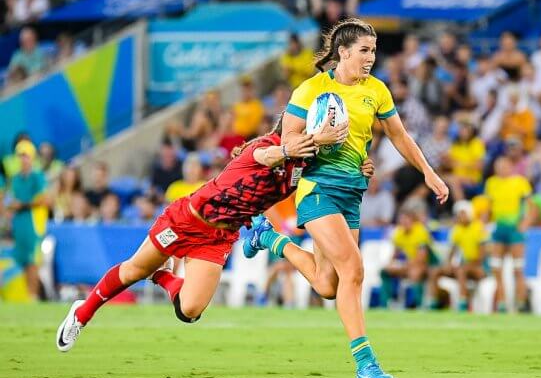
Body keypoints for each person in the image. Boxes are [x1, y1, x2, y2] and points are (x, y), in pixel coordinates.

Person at [56, 116, 372, 356]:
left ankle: (165, 278)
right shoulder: (263, 147)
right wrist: (291, 146)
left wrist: (360, 168)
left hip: (217, 238)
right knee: (133, 271)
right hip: (186, 221)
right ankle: (82, 314)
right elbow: (269, 157)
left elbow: (333, 176)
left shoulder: (305, 166)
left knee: (189, 311)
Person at [255, 18, 448, 378]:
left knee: (329, 284)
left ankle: (270, 241)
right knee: (354, 270)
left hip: (352, 192)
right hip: (316, 189)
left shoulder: (376, 90)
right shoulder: (310, 89)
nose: (371, 57)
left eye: (373, 50)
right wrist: (319, 137)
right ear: (343, 52)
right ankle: (366, 363)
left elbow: (399, 135)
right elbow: (288, 142)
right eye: (364, 50)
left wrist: (428, 171)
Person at [484, 157, 532, 313]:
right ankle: (502, 302)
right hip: (499, 228)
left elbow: (531, 206)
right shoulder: (491, 183)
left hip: (514, 229)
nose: (500, 169)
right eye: (498, 166)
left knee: (517, 268)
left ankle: (521, 302)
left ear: (511, 166)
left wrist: (525, 223)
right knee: (496, 267)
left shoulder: (520, 182)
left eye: (503, 165)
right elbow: (488, 207)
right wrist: (484, 224)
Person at [6, 140, 48, 300]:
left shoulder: (37, 176)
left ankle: (34, 296)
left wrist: (21, 205)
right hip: (19, 225)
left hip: (33, 224)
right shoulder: (15, 179)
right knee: (23, 260)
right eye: (20, 156)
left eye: (26, 156)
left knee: (32, 262)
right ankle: (29, 297)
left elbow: (43, 199)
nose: (23, 160)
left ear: (31, 158)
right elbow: (10, 201)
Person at [427, 200, 489, 311]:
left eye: (463, 213)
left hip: (481, 268)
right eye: (459, 214)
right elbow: (452, 250)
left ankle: (463, 302)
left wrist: (465, 265)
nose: (460, 216)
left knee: (461, 270)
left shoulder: (479, 227)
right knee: (435, 271)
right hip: (465, 266)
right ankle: (433, 302)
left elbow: (482, 255)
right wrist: (448, 264)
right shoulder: (457, 230)